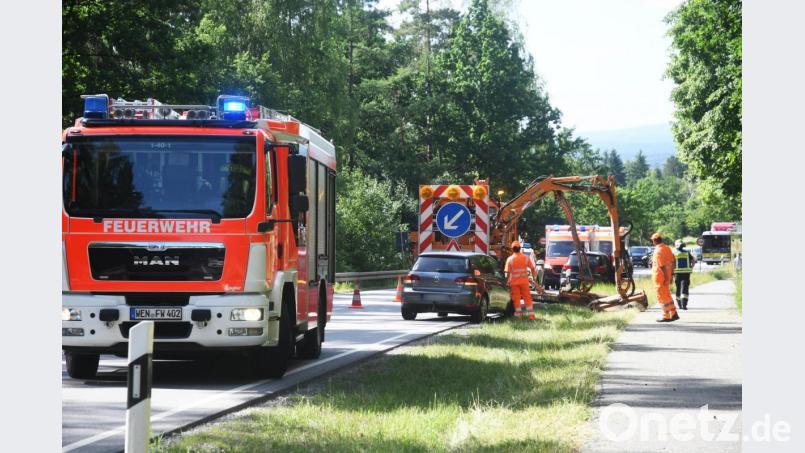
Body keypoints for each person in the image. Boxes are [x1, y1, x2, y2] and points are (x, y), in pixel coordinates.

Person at [505, 241, 543, 320]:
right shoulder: (526, 258)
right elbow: (532, 268)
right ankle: (531, 316)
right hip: (524, 282)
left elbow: (507, 273)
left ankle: (519, 316)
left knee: (517, 299)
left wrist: (507, 282)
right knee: (527, 299)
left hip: (514, 283)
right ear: (520, 249)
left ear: (512, 249)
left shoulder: (510, 259)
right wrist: (534, 279)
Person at [651, 232, 679, 322]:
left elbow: (662, 266)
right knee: (667, 296)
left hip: (660, 278)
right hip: (667, 276)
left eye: (652, 241)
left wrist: (666, 278)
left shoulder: (658, 251)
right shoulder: (667, 248)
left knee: (661, 297)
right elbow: (673, 261)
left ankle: (666, 315)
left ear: (655, 241)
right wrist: (671, 275)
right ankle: (674, 313)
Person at [673, 239, 695, 310]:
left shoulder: (674, 253)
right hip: (686, 273)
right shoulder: (687, 253)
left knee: (678, 288)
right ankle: (684, 305)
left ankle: (679, 305)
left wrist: (671, 272)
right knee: (684, 288)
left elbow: (671, 263)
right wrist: (691, 268)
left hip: (677, 273)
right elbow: (693, 260)